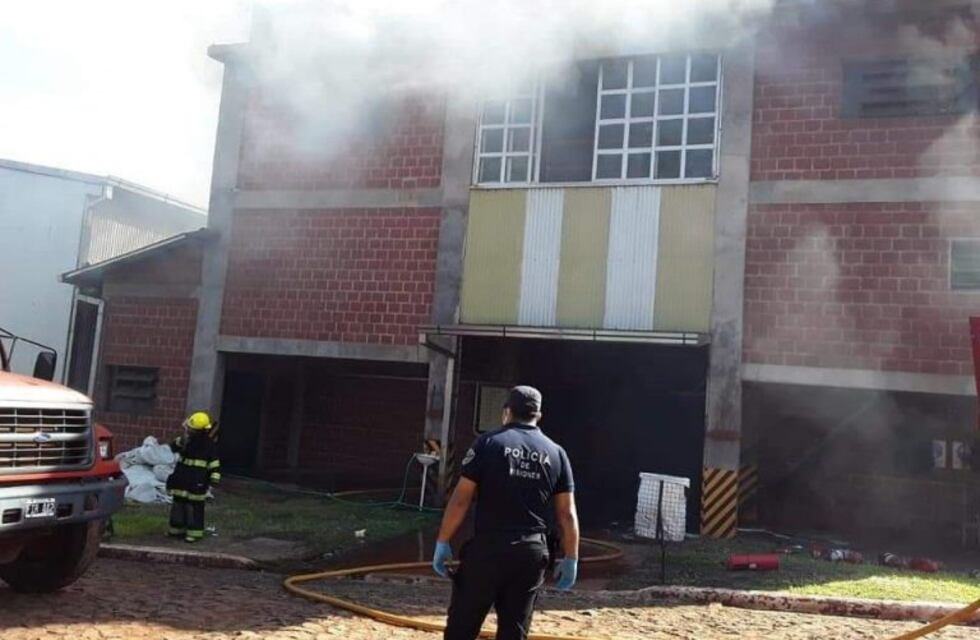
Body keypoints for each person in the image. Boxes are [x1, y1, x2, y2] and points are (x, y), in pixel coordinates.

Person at [432, 385, 579, 640]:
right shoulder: (557, 453)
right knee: (514, 630)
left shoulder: (488, 443)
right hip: (530, 554)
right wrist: (571, 557)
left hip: (488, 549)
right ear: (538, 416)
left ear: (507, 412)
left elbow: (460, 500)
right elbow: (566, 514)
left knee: (462, 627)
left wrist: (443, 541)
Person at [166, 411, 221, 543]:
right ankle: (176, 530)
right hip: (182, 478)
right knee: (178, 504)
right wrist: (180, 441)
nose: (188, 429)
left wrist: (214, 478)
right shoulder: (186, 441)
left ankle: (194, 533)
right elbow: (173, 447)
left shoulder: (208, 445)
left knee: (194, 507)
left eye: (190, 428)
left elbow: (214, 463)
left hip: (197, 481)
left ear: (197, 430)